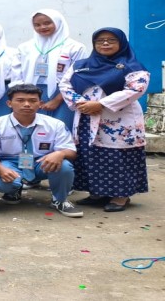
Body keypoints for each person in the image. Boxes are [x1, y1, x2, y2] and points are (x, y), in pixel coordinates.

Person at [59, 28, 149, 212]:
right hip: (86, 116)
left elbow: (135, 89)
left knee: (118, 157)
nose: (105, 43)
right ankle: (97, 193)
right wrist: (80, 102)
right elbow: (65, 84)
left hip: (119, 121)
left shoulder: (132, 66)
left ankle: (120, 196)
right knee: (91, 155)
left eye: (111, 40)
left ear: (121, 43)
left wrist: (101, 104)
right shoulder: (81, 64)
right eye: (100, 41)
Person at [0, 84, 82, 217]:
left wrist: (61, 153)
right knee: (3, 183)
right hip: (9, 162)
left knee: (64, 165)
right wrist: (1, 169)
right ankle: (13, 190)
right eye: (20, 100)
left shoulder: (55, 124)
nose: (26, 104)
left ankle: (60, 200)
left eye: (32, 101)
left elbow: (71, 151)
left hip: (41, 162)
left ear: (40, 103)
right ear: (9, 103)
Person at [11, 9, 86, 131]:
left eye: (47, 23)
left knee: (61, 129)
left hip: (63, 95)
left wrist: (57, 100)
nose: (42, 27)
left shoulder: (75, 47)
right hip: (29, 93)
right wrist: (25, 98)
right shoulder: (25, 47)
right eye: (37, 24)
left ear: (58, 22)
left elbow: (78, 76)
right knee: (31, 129)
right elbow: (17, 75)